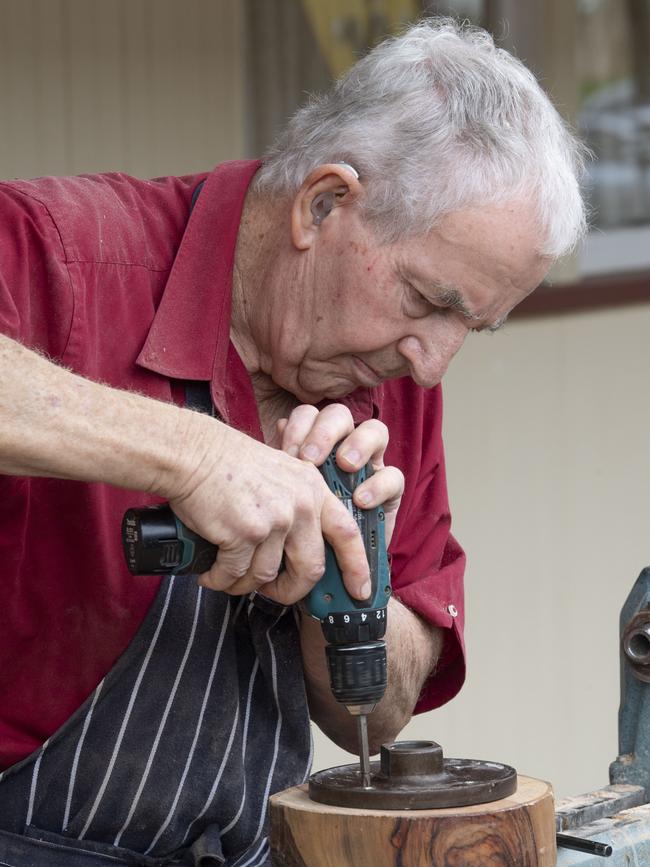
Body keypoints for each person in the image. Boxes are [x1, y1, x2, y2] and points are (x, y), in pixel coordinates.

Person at [0, 17, 586, 867]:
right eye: (430, 300)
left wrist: (347, 594)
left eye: (474, 326)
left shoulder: (385, 375)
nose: (432, 364)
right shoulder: (61, 254)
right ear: (323, 203)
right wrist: (199, 455)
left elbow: (380, 717)